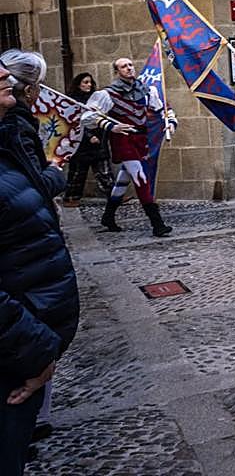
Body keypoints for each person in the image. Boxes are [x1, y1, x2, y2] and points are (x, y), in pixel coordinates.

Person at [0, 58, 79, 476]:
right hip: (18, 333)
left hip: (29, 314)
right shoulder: (16, 133)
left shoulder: (10, 133)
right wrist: (35, 351)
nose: (3, 74)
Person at [82, 55, 177, 237]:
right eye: (123, 66)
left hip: (140, 140)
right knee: (141, 178)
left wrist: (171, 121)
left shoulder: (146, 90)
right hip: (122, 140)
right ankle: (157, 224)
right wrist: (111, 126)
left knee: (123, 180)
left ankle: (108, 217)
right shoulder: (107, 94)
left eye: (130, 65)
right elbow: (87, 118)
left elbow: (162, 108)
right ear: (117, 72)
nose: (129, 68)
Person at [62, 72, 113, 208]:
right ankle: (70, 197)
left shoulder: (96, 98)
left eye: (90, 82)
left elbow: (101, 117)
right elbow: (75, 122)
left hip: (98, 140)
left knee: (104, 171)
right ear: (78, 84)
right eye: (85, 82)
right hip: (81, 143)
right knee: (78, 172)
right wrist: (89, 136)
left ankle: (114, 196)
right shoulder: (72, 101)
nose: (89, 85)